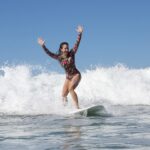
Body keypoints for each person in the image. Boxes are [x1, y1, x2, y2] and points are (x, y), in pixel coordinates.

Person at [38, 25, 83, 109]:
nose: (66, 50)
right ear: (61, 49)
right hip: (68, 77)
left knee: (71, 88)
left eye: (67, 48)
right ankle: (65, 109)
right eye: (65, 48)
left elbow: (77, 44)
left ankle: (77, 107)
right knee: (63, 95)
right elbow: (49, 53)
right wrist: (43, 46)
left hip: (76, 75)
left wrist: (80, 33)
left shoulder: (72, 53)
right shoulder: (58, 57)